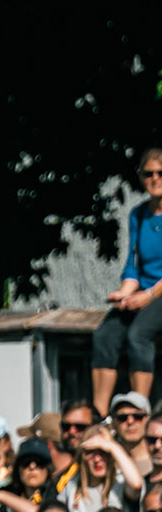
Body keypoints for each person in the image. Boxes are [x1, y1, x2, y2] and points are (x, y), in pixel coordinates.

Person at [91, 149, 162, 414]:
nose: (155, 178)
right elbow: (133, 264)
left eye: (160, 173)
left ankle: (137, 410)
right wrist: (124, 292)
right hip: (144, 291)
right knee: (105, 335)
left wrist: (148, 296)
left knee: (138, 335)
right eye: (149, 173)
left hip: (158, 293)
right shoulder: (138, 214)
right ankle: (100, 415)